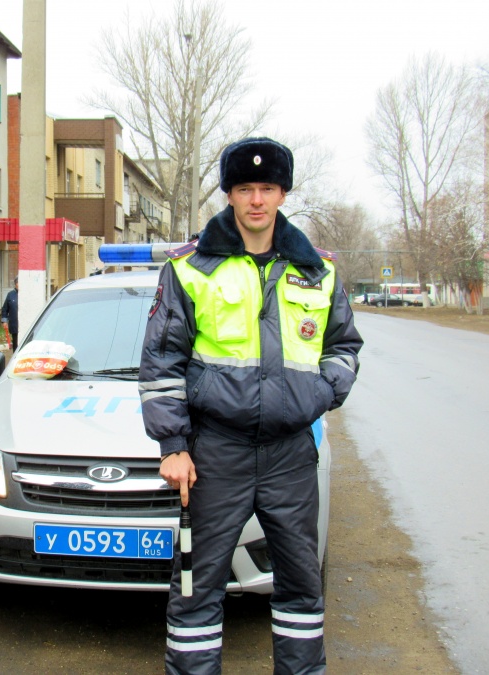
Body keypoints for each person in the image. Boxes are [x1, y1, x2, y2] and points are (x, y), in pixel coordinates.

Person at [139, 137, 363, 674]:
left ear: (283, 193)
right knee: (196, 590)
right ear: (230, 195)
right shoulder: (191, 267)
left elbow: (344, 349)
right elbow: (161, 361)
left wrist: (320, 394)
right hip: (216, 453)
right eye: (245, 189)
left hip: (290, 455)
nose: (256, 199)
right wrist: (173, 445)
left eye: (266, 188)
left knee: (302, 589)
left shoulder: (319, 271)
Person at [1, 275, 19, 351]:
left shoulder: (26, 294)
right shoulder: (10, 295)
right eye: (18, 282)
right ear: (15, 283)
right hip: (14, 324)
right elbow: (5, 309)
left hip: (24, 324)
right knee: (15, 343)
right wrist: (4, 321)